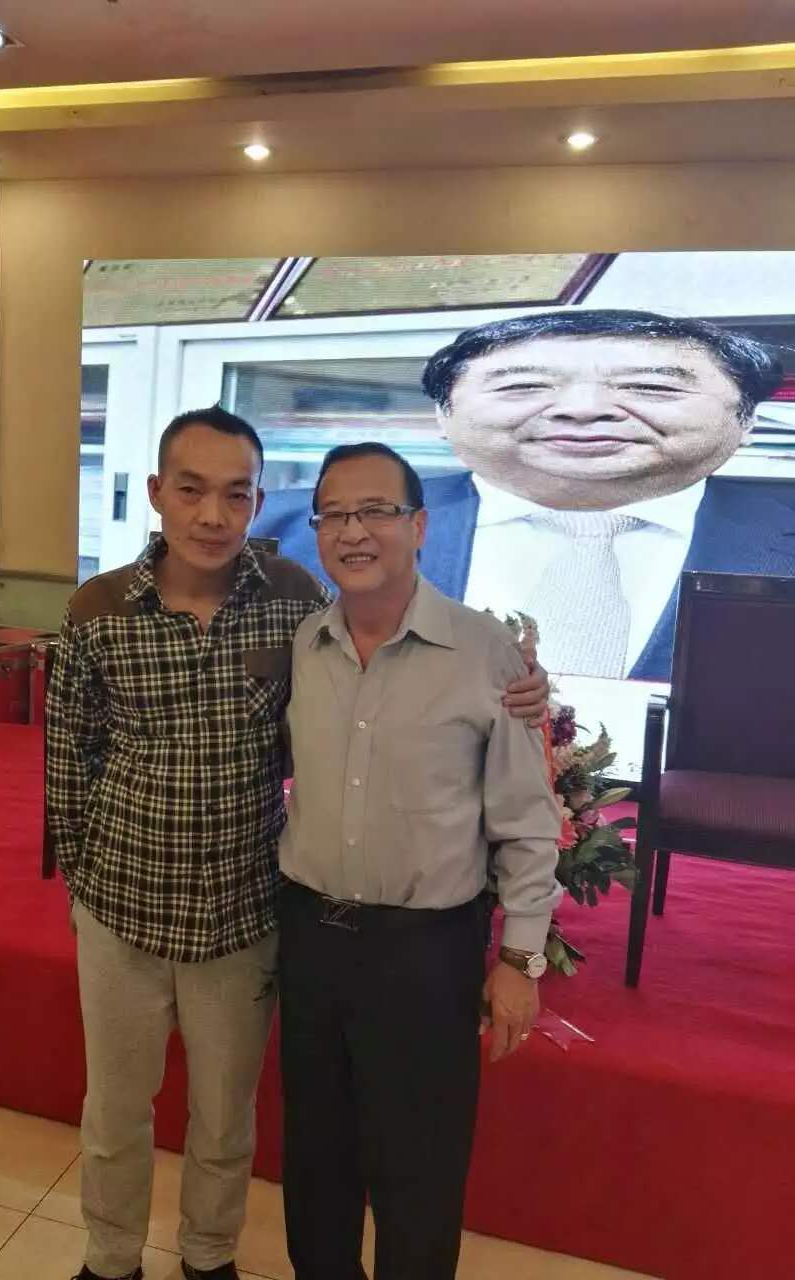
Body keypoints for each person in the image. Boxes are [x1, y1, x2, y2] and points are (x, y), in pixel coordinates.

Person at [45, 407, 551, 1280]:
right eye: (192, 491)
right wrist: (89, 886)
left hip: (252, 918)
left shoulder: (296, 605)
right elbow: (69, 766)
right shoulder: (108, 612)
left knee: (238, 1120)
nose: (212, 515)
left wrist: (525, 686)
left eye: (236, 494)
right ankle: (111, 1257)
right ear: (158, 492)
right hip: (135, 910)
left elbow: (498, 788)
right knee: (128, 1114)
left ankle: (208, 1257)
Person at [276, 441, 562, 1280]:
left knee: (420, 1175)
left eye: (377, 511)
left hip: (425, 953)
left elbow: (527, 821)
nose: (353, 531)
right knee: (316, 1165)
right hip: (312, 939)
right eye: (334, 514)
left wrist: (521, 958)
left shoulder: (485, 654)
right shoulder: (305, 643)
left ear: (421, 526)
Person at [255, 310, 793, 680]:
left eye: (651, 387)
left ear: (746, 419)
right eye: (523, 386)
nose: (583, 410)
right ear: (443, 414)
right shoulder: (273, 533)